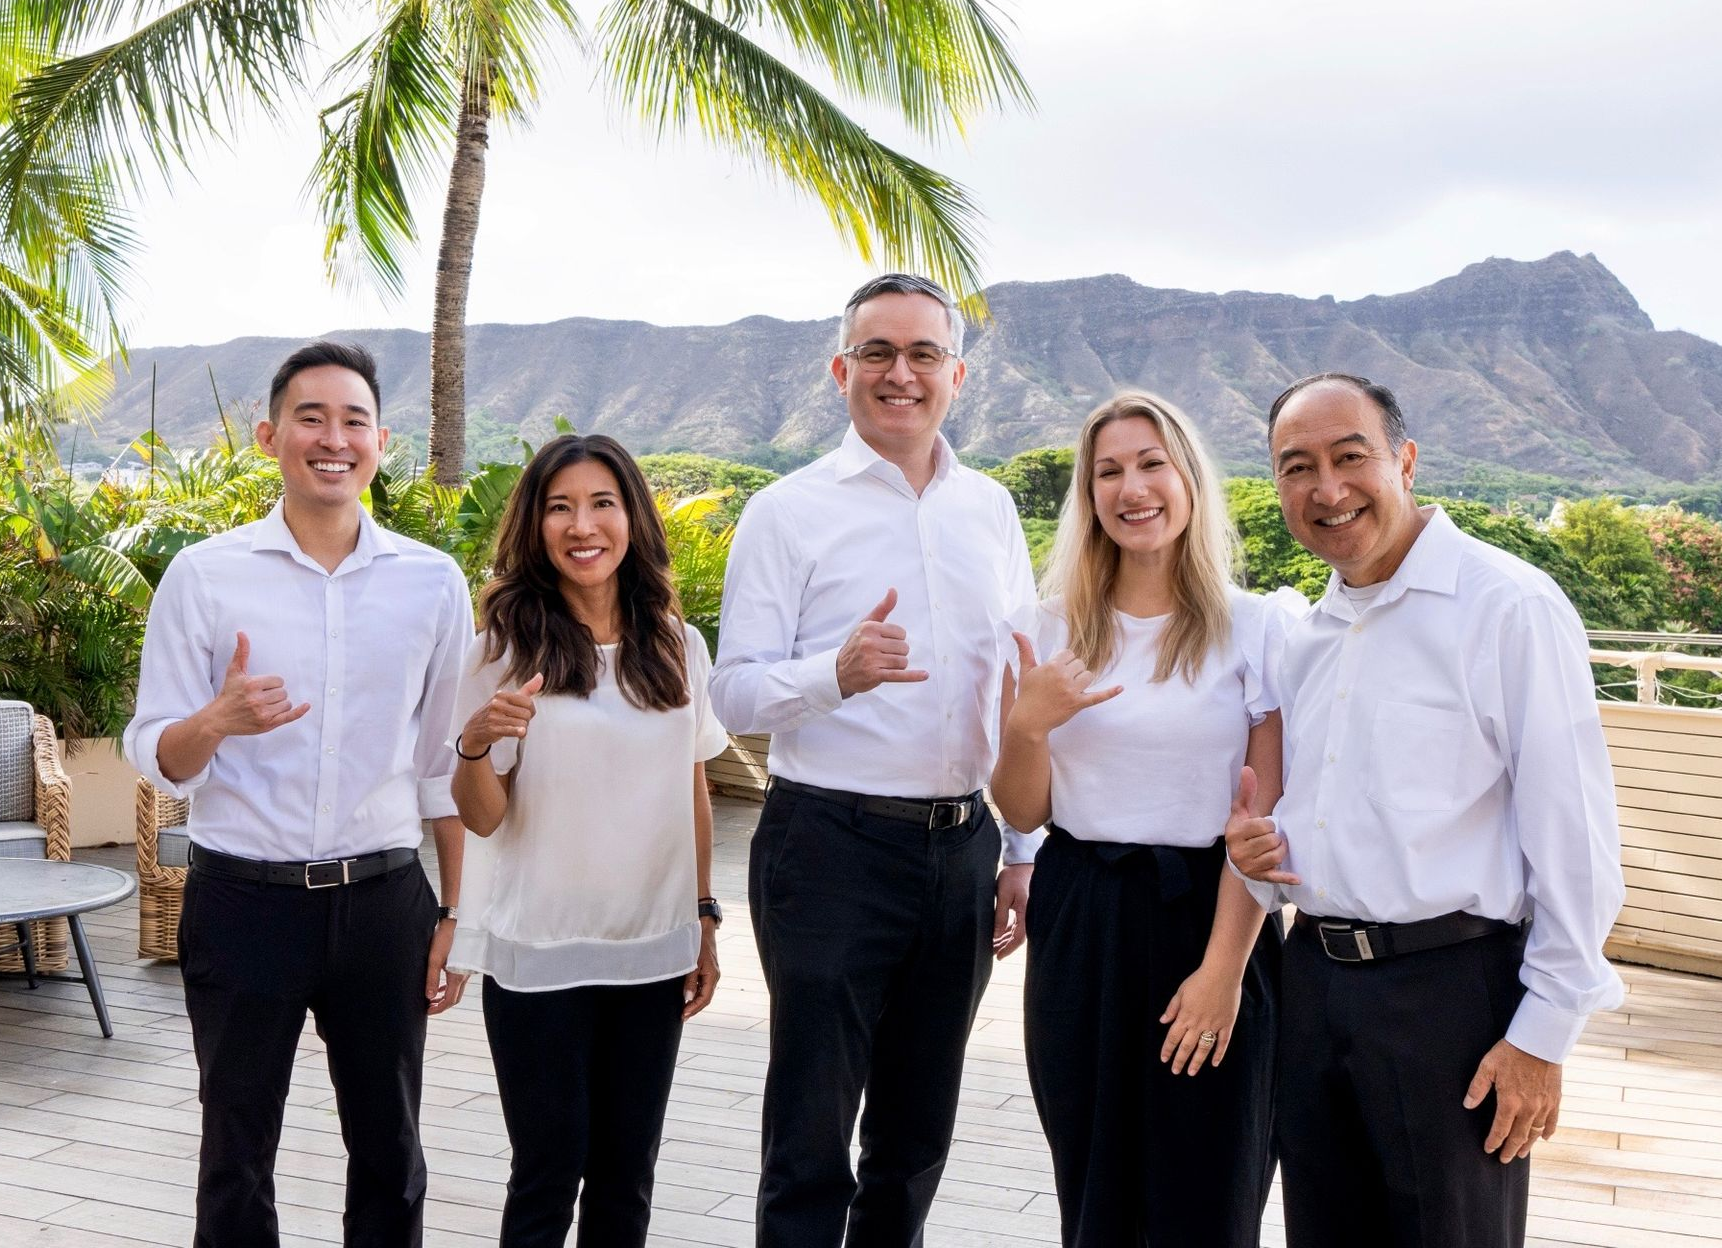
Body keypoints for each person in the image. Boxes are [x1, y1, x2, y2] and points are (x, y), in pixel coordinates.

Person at [1226, 372, 1626, 1248]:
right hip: (1316, 983)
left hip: (1450, 998)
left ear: (1405, 460)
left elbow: (1578, 840)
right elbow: (1350, 807)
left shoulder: (1507, 606)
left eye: (1350, 456)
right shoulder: (1311, 631)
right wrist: (1271, 847)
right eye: (1298, 467)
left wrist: (1543, 1036)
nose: (1327, 489)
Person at [710, 273, 1038, 1247]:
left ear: (957, 373)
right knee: (810, 1139)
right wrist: (835, 675)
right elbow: (730, 693)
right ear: (840, 369)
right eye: (879, 353)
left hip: (962, 848)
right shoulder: (788, 511)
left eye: (923, 353)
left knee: (915, 1135)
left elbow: (1015, 691)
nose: (902, 373)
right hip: (828, 847)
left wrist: (1020, 847)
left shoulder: (990, 512)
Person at [123, 341, 472, 1246]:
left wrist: (458, 913)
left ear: (381, 442)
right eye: (310, 417)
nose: (333, 437)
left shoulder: (432, 583)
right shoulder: (205, 576)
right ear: (269, 435)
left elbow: (444, 764)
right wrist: (218, 720)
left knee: (391, 1150)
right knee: (235, 1151)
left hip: (386, 901)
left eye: (354, 420)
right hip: (243, 899)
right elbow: (156, 750)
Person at [992, 391, 1286, 1247]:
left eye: (1152, 463)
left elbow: (1257, 819)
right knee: (1094, 1191)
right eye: (1108, 471)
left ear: (1188, 478)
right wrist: (1027, 723)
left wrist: (1223, 971)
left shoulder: (1257, 627)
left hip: (1215, 915)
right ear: (1086, 497)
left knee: (1212, 1193)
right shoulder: (1043, 629)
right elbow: (1024, 809)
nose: (1132, 488)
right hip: (1084, 918)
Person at [447, 433, 727, 1248]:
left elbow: (693, 784)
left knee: (626, 1173)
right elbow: (483, 815)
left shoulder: (677, 645)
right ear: (535, 526)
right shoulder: (504, 645)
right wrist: (473, 744)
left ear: (631, 516)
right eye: (559, 507)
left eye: (601, 503)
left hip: (652, 946)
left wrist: (703, 915)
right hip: (541, 952)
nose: (582, 525)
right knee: (547, 1170)